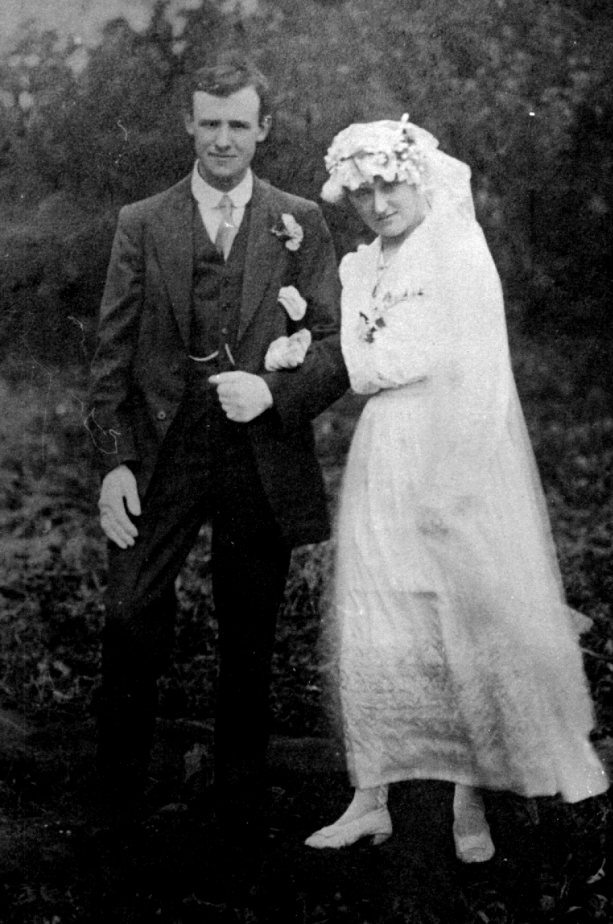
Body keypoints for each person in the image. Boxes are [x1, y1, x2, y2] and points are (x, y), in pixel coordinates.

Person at [296, 116, 608, 861]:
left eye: (391, 184)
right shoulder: (361, 265)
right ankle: (375, 791)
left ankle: (471, 803)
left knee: (461, 630)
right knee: (384, 621)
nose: (378, 203)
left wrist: (457, 482)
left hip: (451, 453)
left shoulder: (456, 250)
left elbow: (476, 378)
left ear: (420, 178)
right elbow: (365, 368)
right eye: (363, 190)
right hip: (386, 450)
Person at [86, 56, 348, 833]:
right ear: (189, 125)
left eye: (239, 124)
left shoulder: (300, 219)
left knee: (249, 624)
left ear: (263, 128)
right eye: (210, 123)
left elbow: (335, 344)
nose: (224, 140)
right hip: (163, 452)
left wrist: (274, 391)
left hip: (258, 453)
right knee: (130, 612)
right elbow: (110, 355)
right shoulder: (143, 221)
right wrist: (113, 465)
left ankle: (238, 804)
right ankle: (117, 803)